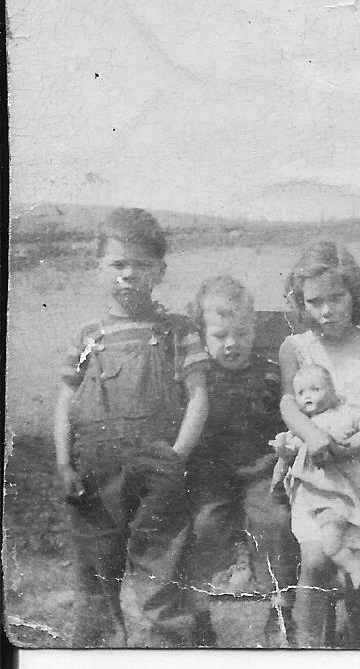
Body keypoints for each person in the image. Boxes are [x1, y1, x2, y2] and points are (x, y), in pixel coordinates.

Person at [53, 208, 209, 647]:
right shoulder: (87, 336)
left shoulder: (178, 332)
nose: (129, 274)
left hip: (157, 467)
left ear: (160, 270)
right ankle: (99, 647)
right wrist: (64, 463)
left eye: (141, 264)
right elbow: (66, 400)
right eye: (118, 264)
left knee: (162, 564)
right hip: (95, 471)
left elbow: (198, 396)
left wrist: (177, 457)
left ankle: (169, 646)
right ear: (98, 269)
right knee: (96, 567)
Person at [279, 241, 360, 648]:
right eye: (315, 301)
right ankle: (307, 647)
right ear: (302, 304)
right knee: (317, 559)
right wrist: (314, 436)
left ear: (355, 293)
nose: (327, 310)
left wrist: (350, 447)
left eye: (337, 297)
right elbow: (288, 404)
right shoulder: (297, 348)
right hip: (315, 470)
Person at [184, 274, 299, 646]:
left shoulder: (268, 374)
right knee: (202, 524)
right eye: (220, 336)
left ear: (253, 330)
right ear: (202, 334)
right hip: (211, 473)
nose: (232, 344)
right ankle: (198, 611)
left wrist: (286, 442)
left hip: (260, 470)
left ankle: (281, 607)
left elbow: (287, 419)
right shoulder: (198, 379)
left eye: (242, 333)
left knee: (278, 521)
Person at [270, 362, 360, 588]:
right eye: (301, 393)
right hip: (321, 496)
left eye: (316, 389)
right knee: (329, 544)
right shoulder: (304, 427)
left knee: (342, 540)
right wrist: (283, 454)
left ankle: (352, 569)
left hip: (348, 489)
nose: (308, 397)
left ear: (332, 391)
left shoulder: (345, 414)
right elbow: (286, 457)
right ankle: (350, 568)